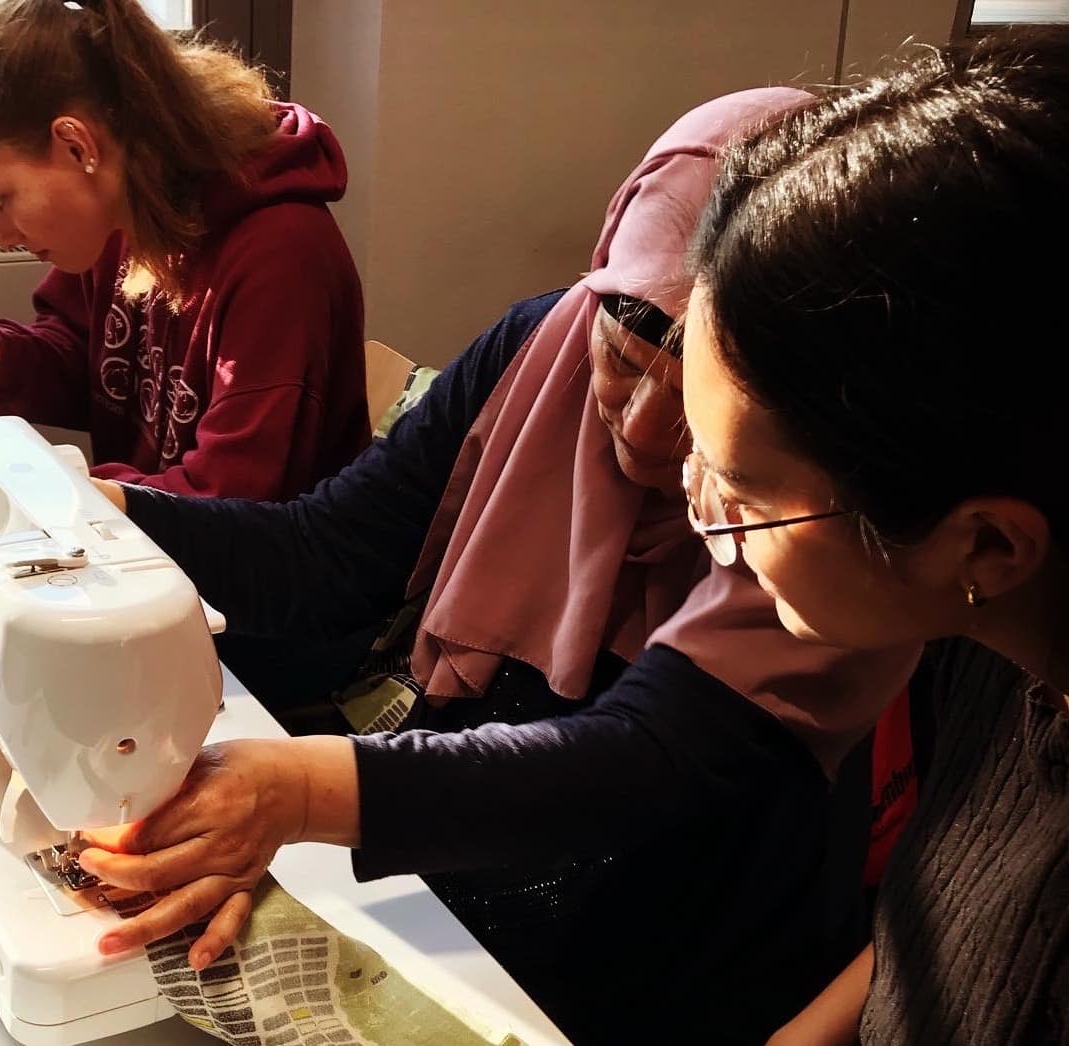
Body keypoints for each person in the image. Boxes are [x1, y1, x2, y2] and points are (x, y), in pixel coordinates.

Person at [73, 90, 921, 1044]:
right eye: (626, 343)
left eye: (690, 385)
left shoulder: (815, 498)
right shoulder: (536, 345)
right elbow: (328, 555)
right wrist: (106, 507)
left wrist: (299, 794)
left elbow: (649, 760)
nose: (641, 428)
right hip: (479, 850)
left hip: (689, 922)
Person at [677, 27, 1069, 1043]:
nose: (713, 522)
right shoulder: (995, 644)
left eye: (751, 493)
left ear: (983, 545)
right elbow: (929, 929)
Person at [0, 0, 369, 502]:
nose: (2, 235)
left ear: (76, 145)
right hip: (150, 553)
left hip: (249, 587)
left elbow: (225, 499)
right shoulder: (126, 213)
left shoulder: (282, 256)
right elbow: (92, 360)